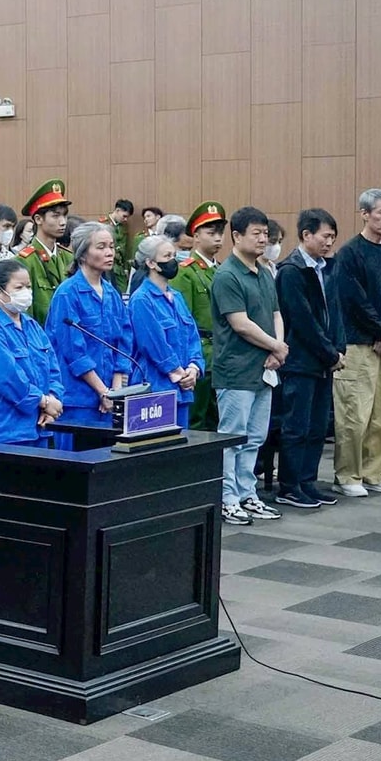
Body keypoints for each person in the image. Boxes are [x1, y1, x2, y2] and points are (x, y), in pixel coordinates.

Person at [212, 207, 288, 525]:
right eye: (256, 234)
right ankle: (227, 498)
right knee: (232, 438)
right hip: (236, 370)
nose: (263, 240)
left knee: (255, 437)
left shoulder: (265, 272)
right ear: (237, 236)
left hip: (264, 369)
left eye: (265, 234)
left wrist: (278, 349)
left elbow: (276, 314)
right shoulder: (227, 275)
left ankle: (247, 493)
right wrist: (275, 346)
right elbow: (240, 324)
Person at [331, 188, 381, 497]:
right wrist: (379, 332)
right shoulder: (349, 253)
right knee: (354, 415)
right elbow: (354, 300)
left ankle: (376, 472)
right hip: (358, 344)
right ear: (364, 214)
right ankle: (348, 476)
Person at [276, 208, 343, 510]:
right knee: (296, 426)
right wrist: (330, 353)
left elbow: (334, 313)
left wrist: (337, 348)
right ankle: (290, 486)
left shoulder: (326, 268)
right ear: (306, 235)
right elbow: (302, 320)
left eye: (333, 237)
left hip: (323, 361)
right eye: (325, 236)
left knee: (317, 426)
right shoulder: (292, 270)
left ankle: (308, 482)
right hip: (301, 360)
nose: (329, 243)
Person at [44, 221, 132, 443]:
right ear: (82, 254)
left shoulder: (112, 293)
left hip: (111, 399)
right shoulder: (67, 293)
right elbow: (74, 352)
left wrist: (115, 391)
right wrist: (102, 391)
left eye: (111, 246)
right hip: (78, 399)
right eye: (101, 247)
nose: (109, 252)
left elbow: (123, 342)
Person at [0, 259, 65, 447]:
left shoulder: (32, 326)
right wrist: (43, 401)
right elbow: (7, 378)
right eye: (19, 287)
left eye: (28, 287)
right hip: (6, 429)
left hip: (40, 425)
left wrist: (53, 400)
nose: (26, 293)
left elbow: (53, 368)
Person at [129, 234, 204, 428]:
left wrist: (194, 368)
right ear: (151, 263)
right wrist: (178, 373)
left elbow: (192, 336)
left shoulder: (176, 297)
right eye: (167, 256)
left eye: (174, 255)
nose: (173, 261)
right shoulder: (142, 299)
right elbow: (152, 344)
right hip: (155, 388)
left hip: (183, 389)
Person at [171, 201, 228, 430]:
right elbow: (182, 320)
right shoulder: (186, 272)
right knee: (196, 420)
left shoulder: (222, 270)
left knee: (218, 421)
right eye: (211, 233)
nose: (218, 239)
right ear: (195, 235)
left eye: (220, 233)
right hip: (199, 353)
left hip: (222, 353)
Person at [15, 180, 72, 322]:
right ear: (38, 219)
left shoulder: (68, 257)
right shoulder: (24, 261)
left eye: (64, 215)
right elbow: (26, 314)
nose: (63, 222)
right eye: (56, 216)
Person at [107, 199, 137, 288]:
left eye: (127, 217)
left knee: (123, 291)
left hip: (120, 268)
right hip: (108, 265)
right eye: (124, 216)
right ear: (117, 210)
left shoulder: (123, 227)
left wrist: (126, 268)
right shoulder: (103, 224)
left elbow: (125, 249)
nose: (125, 219)